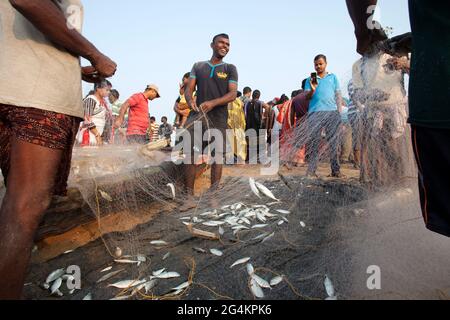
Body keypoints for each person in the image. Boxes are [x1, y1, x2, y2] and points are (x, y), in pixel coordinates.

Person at [0, 0, 116, 299]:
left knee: (15, 202)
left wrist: (77, 69)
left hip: (14, 83)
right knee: (25, 208)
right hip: (35, 98)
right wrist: (94, 53)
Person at [346, 0, 450, 237]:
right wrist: (419, 39)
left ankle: (396, 185)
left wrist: (365, 31)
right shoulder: (362, 66)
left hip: (439, 104)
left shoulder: (390, 58)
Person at [180, 33, 238, 211]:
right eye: (221, 42)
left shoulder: (230, 68)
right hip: (196, 116)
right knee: (190, 156)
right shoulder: (198, 66)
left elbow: (232, 94)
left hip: (218, 118)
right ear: (212, 45)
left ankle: (213, 197)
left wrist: (212, 103)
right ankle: (189, 198)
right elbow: (189, 89)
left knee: (216, 157)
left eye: (228, 44)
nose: (225, 46)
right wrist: (190, 101)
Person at [351, 28, 412, 189]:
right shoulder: (359, 65)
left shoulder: (396, 55)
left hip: (396, 114)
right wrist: (371, 94)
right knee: (377, 156)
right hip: (373, 115)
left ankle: (402, 187)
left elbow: (420, 70)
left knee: (398, 153)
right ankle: (380, 189)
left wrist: (404, 65)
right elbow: (357, 93)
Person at [304, 54, 345, 178]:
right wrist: (312, 89)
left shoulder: (332, 77)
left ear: (326, 64)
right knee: (314, 142)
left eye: (320, 64)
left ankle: (335, 170)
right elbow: (307, 98)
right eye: (316, 64)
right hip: (315, 113)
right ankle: (311, 171)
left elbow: (338, 95)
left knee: (333, 142)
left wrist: (339, 112)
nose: (318, 66)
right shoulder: (310, 79)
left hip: (332, 113)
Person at [77, 80, 112, 146]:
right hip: (88, 135)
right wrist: (97, 135)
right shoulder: (91, 99)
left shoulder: (103, 102)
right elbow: (87, 120)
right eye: (107, 90)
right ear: (98, 89)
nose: (109, 92)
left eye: (109, 90)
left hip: (96, 135)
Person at [245, 90, 270, 163]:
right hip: (258, 125)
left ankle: (250, 158)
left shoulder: (247, 103)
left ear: (252, 95)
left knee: (250, 141)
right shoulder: (260, 102)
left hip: (249, 124)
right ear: (259, 96)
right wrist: (264, 116)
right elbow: (268, 107)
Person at [227, 92, 247, 163]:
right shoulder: (239, 103)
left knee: (230, 143)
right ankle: (240, 159)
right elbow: (242, 116)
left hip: (231, 126)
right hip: (238, 126)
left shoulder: (229, 102)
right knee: (239, 142)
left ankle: (231, 159)